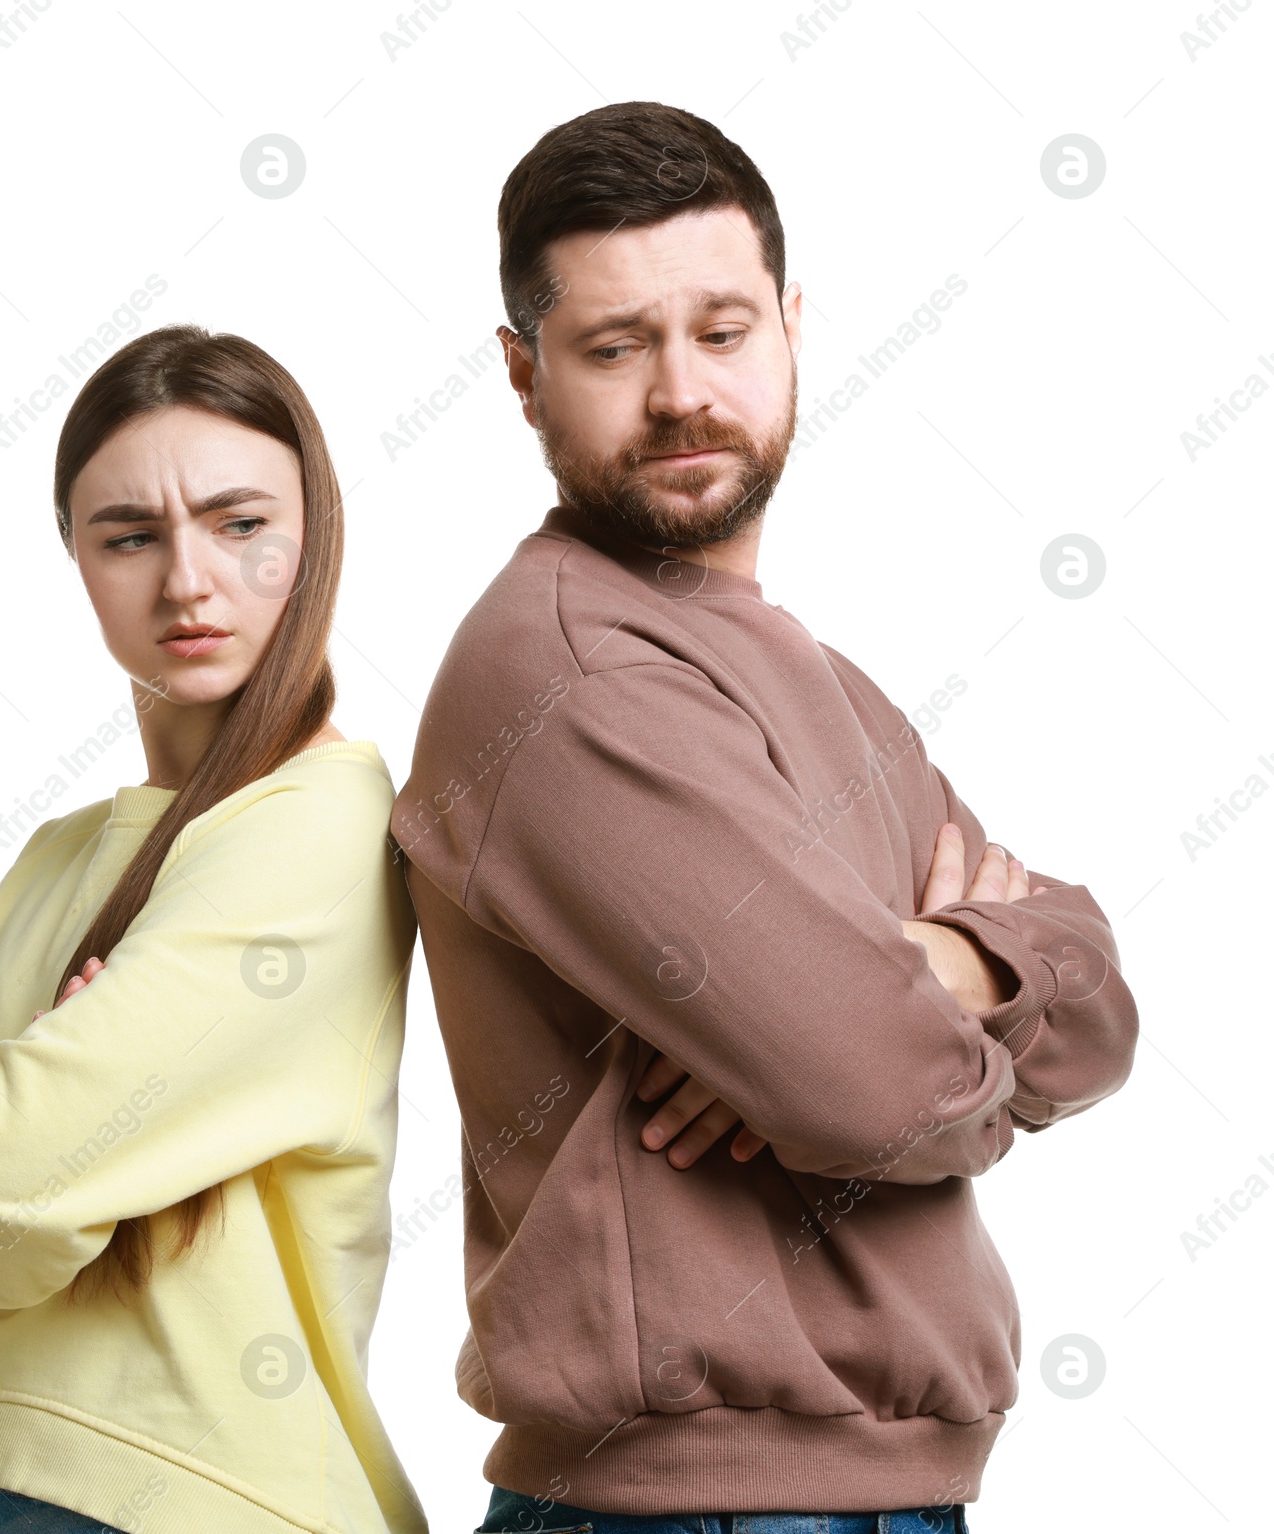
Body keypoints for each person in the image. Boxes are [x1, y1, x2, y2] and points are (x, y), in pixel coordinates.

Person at [390, 101, 1138, 1533]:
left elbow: (1103, 1010)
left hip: (869, 1497)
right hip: (694, 1510)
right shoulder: (572, 671)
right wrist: (904, 1018)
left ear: (792, 328)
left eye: (722, 331)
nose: (683, 391)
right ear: (522, 374)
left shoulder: (821, 680)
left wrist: (951, 962)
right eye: (615, 347)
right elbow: (874, 1088)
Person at [0, 326, 429, 1534]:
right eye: (129, 536)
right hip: (2, 1479)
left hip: (210, 1493)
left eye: (241, 525)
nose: (187, 580)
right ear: (77, 561)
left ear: (318, 534)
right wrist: (20, 1109)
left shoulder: (321, 824)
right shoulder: (54, 858)